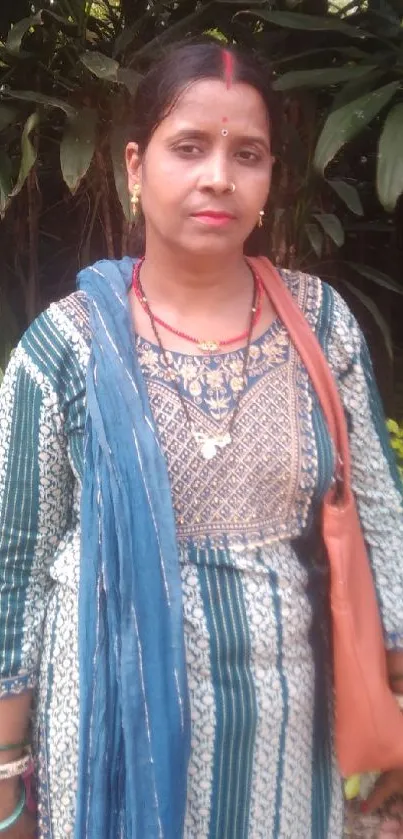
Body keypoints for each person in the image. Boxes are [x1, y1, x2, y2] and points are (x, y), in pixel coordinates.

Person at [0, 38, 403, 839]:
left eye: (245, 154)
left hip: (294, 736)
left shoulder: (320, 323)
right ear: (135, 167)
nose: (218, 175)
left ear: (268, 181)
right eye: (190, 147)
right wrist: (8, 773)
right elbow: (13, 565)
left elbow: (381, 526)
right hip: (111, 736)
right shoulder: (65, 348)